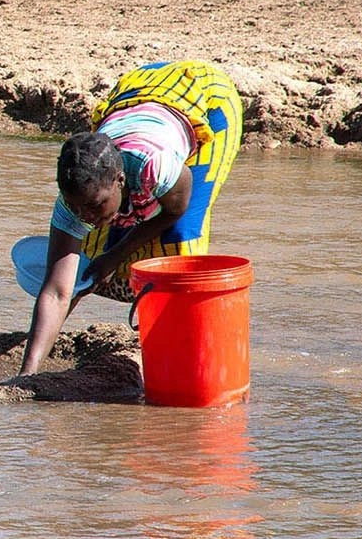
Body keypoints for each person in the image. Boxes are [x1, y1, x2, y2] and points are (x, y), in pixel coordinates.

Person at [19, 60, 243, 375]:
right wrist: (28, 376)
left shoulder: (155, 166)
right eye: (77, 207)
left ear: (120, 182)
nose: (84, 215)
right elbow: (56, 290)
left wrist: (117, 255)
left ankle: (181, 362)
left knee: (179, 244)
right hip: (135, 93)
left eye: (94, 206)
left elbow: (175, 209)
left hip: (205, 99)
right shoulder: (77, 196)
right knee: (89, 256)